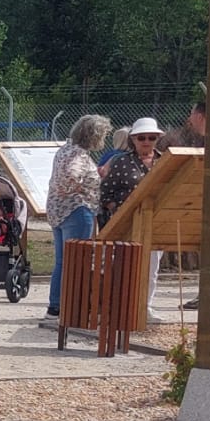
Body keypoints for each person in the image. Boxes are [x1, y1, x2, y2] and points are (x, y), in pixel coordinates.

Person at [46, 114, 111, 319]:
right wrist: (80, 188)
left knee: (62, 262)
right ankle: (73, 307)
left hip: (57, 211)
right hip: (77, 211)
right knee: (77, 261)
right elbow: (72, 175)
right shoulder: (79, 156)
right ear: (94, 136)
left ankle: (55, 306)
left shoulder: (65, 149)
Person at [100, 117, 162, 323]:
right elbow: (105, 192)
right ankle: (121, 308)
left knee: (151, 268)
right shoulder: (121, 162)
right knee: (125, 266)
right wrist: (118, 211)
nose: (146, 141)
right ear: (133, 139)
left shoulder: (164, 161)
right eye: (141, 138)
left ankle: (146, 307)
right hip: (127, 223)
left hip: (155, 222)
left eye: (151, 137)